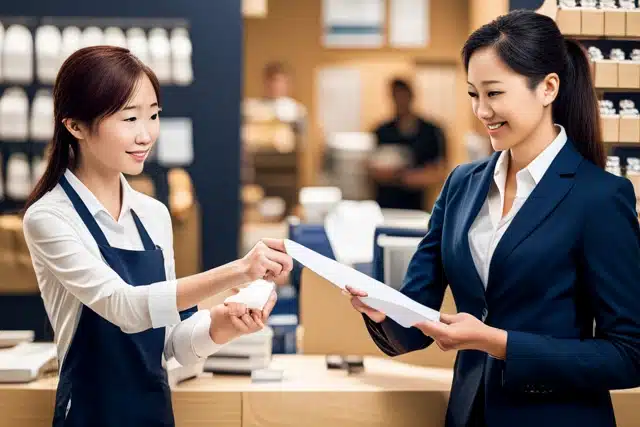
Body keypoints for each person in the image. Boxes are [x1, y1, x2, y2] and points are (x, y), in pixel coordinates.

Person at [346, 10, 640, 427]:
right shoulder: (462, 185)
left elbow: (629, 354)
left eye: (494, 93)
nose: (481, 111)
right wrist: (382, 312)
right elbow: (415, 322)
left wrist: (499, 344)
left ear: (548, 88)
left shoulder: (600, 197)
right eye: (472, 94)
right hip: (469, 416)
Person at [22, 46, 293, 427]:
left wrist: (221, 325)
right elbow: (124, 307)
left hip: (154, 415)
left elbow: (170, 343)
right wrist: (239, 271)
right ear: (75, 126)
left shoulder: (153, 215)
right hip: (89, 415)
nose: (146, 134)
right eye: (129, 118)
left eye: (153, 115)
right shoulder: (49, 218)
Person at [369, 78, 447, 211]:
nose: (400, 100)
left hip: (417, 208)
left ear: (411, 96)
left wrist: (406, 178)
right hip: (384, 207)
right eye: (396, 96)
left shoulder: (430, 131)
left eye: (402, 95)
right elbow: (370, 168)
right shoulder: (381, 131)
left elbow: (439, 171)